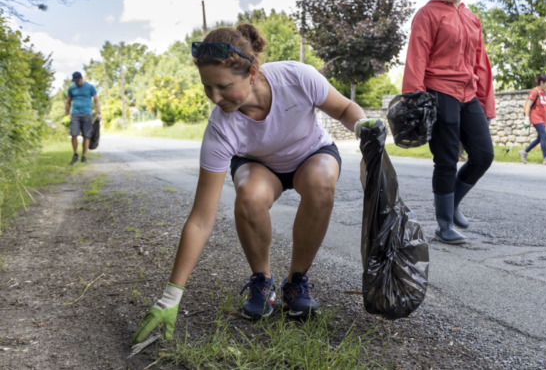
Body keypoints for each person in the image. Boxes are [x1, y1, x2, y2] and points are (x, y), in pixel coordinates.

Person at [131, 25, 378, 343]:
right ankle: (262, 282)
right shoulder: (220, 127)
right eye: (207, 88)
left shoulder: (295, 77)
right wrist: (170, 296)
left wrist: (364, 128)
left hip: (311, 154)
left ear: (252, 72)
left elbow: (344, 108)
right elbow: (201, 219)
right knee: (249, 194)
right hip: (261, 166)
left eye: (223, 86)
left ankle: (296, 283)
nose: (215, 98)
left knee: (321, 182)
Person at [402, 0, 495, 245]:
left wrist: (485, 103)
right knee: (446, 161)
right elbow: (416, 57)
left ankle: (452, 203)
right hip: (438, 90)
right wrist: (415, 100)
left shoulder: (471, 17)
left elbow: (481, 62)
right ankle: (444, 225)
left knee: (483, 155)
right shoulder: (428, 14)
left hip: (468, 93)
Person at [519, 74, 546, 165]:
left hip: (542, 119)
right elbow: (528, 106)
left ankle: (524, 152)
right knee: (544, 135)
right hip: (536, 118)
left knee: (540, 138)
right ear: (541, 82)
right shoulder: (534, 92)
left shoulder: (544, 92)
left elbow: (543, 107)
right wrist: (527, 119)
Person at [65, 72, 101, 165]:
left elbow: (96, 100)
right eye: (75, 81)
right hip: (75, 115)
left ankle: (84, 156)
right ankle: (75, 154)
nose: (76, 83)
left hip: (87, 115)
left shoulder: (90, 87)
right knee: (74, 134)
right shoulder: (71, 88)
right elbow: (68, 102)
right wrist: (66, 115)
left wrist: (98, 112)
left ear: (81, 78)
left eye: (77, 81)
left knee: (86, 136)